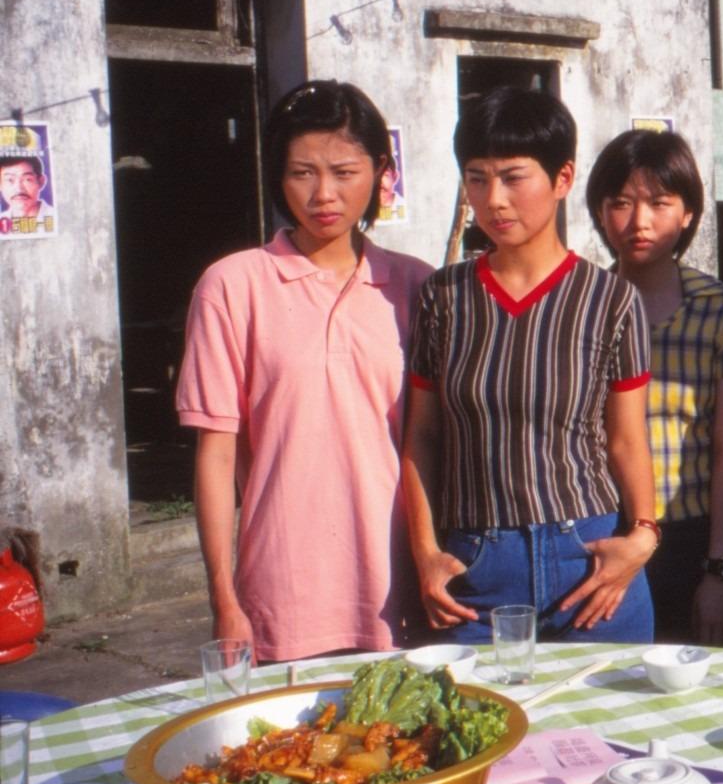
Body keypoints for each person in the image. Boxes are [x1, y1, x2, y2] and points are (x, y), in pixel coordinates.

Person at [175, 80, 434, 661]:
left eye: (344, 172)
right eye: (302, 173)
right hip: (283, 594)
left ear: (381, 172)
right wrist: (223, 598)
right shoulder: (232, 286)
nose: (324, 194)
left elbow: (434, 441)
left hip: (401, 587)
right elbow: (216, 456)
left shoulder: (417, 286)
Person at [402, 89, 657, 646]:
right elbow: (422, 436)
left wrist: (642, 535)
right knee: (477, 706)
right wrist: (425, 553)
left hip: (591, 561)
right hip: (475, 568)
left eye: (513, 177)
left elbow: (626, 440)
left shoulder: (611, 299)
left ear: (563, 178)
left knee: (607, 705)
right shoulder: (443, 297)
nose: (493, 200)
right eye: (477, 178)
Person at [585, 129, 723, 645]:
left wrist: (719, 569)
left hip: (692, 537)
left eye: (659, 203)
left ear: (687, 213)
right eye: (621, 203)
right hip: (601, 533)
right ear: (599, 211)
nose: (639, 222)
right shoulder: (580, 307)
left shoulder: (720, 310)